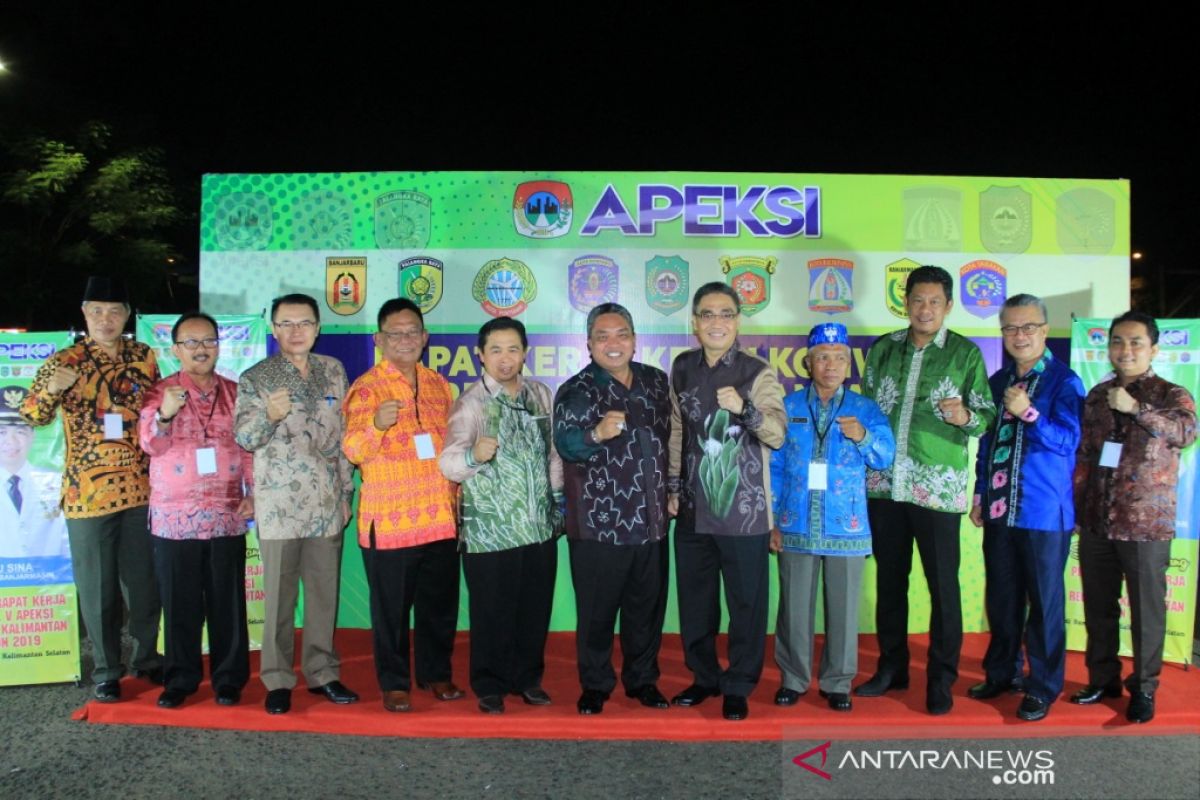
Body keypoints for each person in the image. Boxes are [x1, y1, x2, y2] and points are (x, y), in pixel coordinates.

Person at [856, 265, 995, 715]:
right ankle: (893, 669)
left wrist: (964, 418)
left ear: (949, 306)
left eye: (935, 301)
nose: (925, 309)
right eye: (918, 300)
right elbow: (867, 409)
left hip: (937, 489)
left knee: (942, 588)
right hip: (884, 485)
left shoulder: (965, 354)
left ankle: (941, 679)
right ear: (905, 302)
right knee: (891, 583)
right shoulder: (882, 350)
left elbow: (986, 416)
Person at [20, 276, 162, 703]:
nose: (106, 319)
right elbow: (32, 415)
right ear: (84, 314)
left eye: (115, 311)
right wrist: (50, 389)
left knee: (143, 584)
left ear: (127, 315)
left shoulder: (144, 356)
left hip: (141, 488)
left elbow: (156, 409)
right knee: (98, 587)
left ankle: (147, 657)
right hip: (87, 493)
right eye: (97, 311)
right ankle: (106, 667)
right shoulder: (65, 360)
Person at [667, 282, 786, 721]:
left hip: (745, 514)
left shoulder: (758, 373)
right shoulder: (681, 368)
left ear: (738, 321)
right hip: (695, 512)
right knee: (696, 602)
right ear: (695, 322)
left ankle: (738, 683)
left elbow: (777, 433)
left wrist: (746, 409)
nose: (717, 322)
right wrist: (672, 488)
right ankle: (704, 677)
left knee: (746, 605)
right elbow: (677, 432)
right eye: (707, 314)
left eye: (725, 314)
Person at [234, 293, 357, 715]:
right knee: (279, 600)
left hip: (325, 503)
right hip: (280, 507)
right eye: (286, 323)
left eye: (304, 322)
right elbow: (245, 439)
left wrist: (345, 494)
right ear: (274, 329)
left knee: (324, 596)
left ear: (318, 326)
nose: (296, 330)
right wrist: (268, 415)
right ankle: (278, 679)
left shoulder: (333, 371)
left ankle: (323, 673)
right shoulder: (257, 377)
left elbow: (343, 438)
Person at [1071, 310, 1196, 724]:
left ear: (1154, 349)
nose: (1125, 350)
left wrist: (1137, 408)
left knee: (1147, 610)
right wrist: (1077, 508)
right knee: (1099, 606)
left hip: (1145, 524)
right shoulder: (1096, 395)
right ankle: (1102, 678)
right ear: (1107, 347)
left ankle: (1143, 688)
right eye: (1117, 342)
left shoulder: (1172, 394)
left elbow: (1186, 433)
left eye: (1136, 342)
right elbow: (1086, 456)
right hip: (1096, 521)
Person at [965, 295, 1084, 722]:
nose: (1020, 336)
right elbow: (986, 444)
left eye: (1028, 327)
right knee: (1002, 600)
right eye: (1011, 328)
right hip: (1000, 511)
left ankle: (1043, 687)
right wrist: (981, 494)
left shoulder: (1064, 382)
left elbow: (1069, 442)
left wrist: (1029, 412)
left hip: (1042, 514)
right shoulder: (997, 383)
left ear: (1045, 330)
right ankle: (1002, 673)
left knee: (1045, 604)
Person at [343, 298, 462, 713]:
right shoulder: (366, 387)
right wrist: (376, 424)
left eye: (413, 331)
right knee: (391, 612)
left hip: (441, 518)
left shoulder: (438, 385)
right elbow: (354, 449)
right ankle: (394, 682)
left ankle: (435, 673)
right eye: (395, 333)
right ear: (379, 339)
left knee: (439, 606)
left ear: (425, 337)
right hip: (390, 523)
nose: (405, 339)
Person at [553, 303, 672, 715]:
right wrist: (596, 433)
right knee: (597, 615)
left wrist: (672, 489)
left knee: (646, 613)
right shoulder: (576, 390)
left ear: (635, 340)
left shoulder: (657, 383)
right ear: (589, 344)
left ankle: (643, 681)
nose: (613, 343)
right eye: (602, 336)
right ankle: (596, 684)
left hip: (652, 523)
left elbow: (671, 440)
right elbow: (565, 444)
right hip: (598, 528)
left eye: (621, 334)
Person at [769, 322, 895, 713]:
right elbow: (771, 464)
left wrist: (863, 437)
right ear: (808, 363)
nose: (830, 365)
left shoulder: (865, 409)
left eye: (839, 358)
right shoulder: (788, 407)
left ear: (848, 364)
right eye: (822, 357)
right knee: (793, 607)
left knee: (843, 609)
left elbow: (884, 458)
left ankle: (838, 681)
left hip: (847, 526)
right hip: (795, 521)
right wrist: (772, 518)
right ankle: (793, 678)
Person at [440, 317, 563, 715]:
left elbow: (553, 455)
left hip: (538, 526)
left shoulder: (542, 395)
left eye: (513, 349)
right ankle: (489, 684)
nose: (505, 358)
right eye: (495, 350)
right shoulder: (470, 404)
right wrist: (473, 456)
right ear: (480, 355)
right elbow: (448, 465)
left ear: (525, 352)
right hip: (490, 532)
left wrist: (556, 501)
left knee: (533, 609)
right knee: (492, 612)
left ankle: (527, 679)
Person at [139, 312, 254, 709]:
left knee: (228, 603)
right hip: (175, 520)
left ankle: (228, 679)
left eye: (208, 341)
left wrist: (253, 490)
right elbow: (149, 445)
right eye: (191, 342)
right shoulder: (159, 393)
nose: (201, 349)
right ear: (176, 351)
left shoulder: (237, 392)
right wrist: (166, 414)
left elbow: (249, 447)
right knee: (180, 602)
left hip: (226, 513)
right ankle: (181, 678)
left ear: (219, 346)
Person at [0, 386, 70, 559]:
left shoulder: (56, 482)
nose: (11, 441)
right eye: (2, 432)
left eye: (20, 431)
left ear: (32, 436)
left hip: (52, 582)